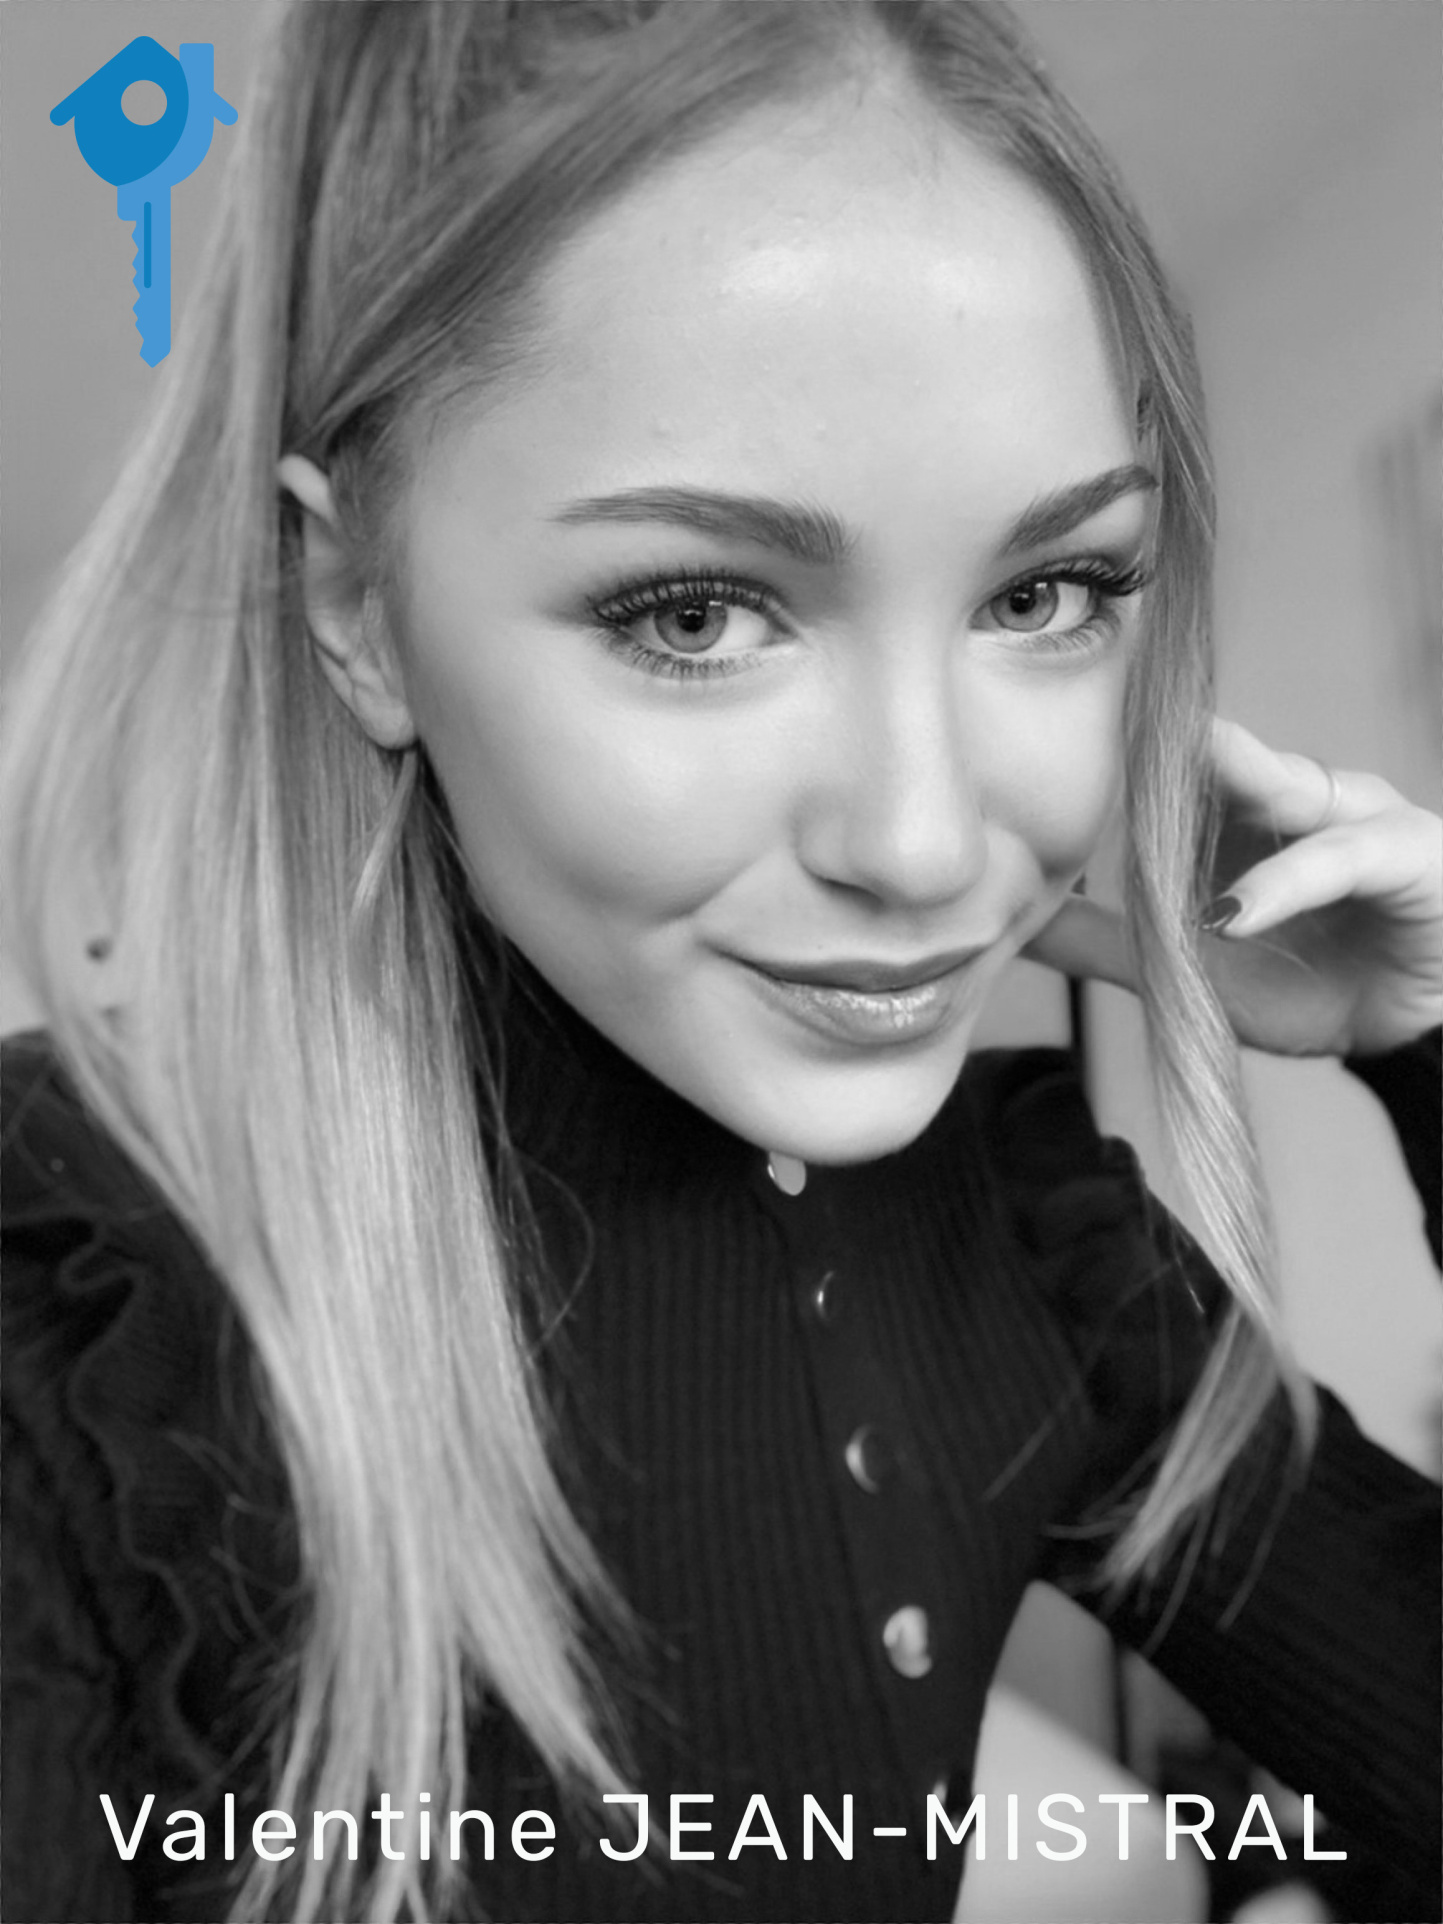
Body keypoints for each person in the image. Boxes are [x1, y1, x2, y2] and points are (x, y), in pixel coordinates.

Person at [2, 4, 1438, 1921]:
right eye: (694, 615)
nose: (924, 841)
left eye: (1048, 592)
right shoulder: (64, 1315)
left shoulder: (1019, 1244)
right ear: (358, 609)